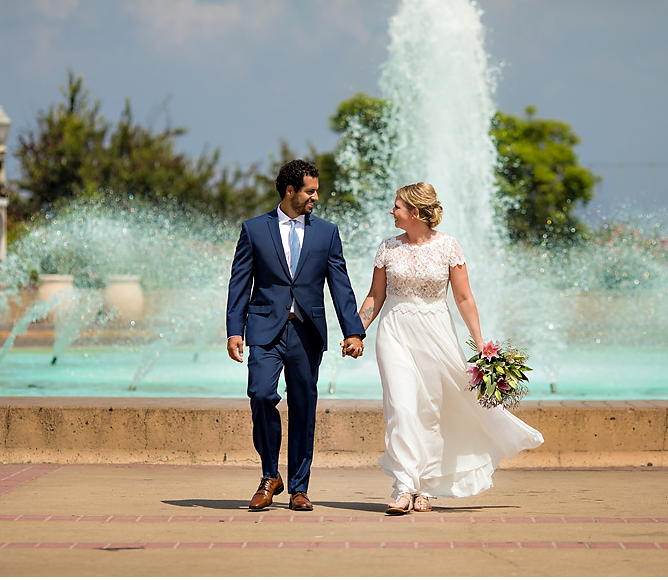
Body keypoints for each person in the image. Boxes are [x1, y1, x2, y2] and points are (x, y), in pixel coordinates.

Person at [356, 182, 544, 515]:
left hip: (435, 331)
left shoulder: (448, 247)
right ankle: (403, 487)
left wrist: (480, 341)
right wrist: (356, 332)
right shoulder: (387, 248)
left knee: (429, 412)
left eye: (397, 206)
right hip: (395, 329)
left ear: (415, 212)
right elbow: (375, 296)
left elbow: (463, 297)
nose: (391, 211)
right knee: (400, 408)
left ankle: (425, 486)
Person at [226, 159, 366, 512]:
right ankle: (270, 475)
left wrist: (353, 330)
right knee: (260, 394)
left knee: (303, 407)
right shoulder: (254, 229)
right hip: (264, 330)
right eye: (310, 190)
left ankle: (299, 487)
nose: (315, 197)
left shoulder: (326, 232)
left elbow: (340, 284)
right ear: (290, 190)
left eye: (316, 190)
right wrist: (234, 330)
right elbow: (240, 282)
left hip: (307, 331)